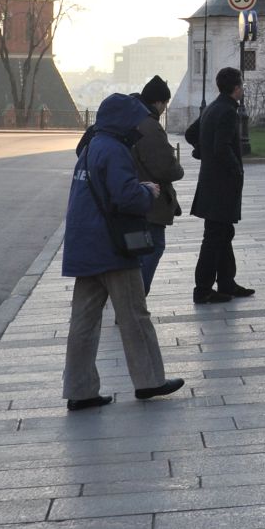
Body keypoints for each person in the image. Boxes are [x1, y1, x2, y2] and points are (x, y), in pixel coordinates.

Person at [61, 93, 185, 410]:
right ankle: (149, 381)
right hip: (112, 247)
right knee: (134, 315)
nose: (137, 126)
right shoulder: (114, 150)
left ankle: (80, 389)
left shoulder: (90, 147)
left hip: (83, 246)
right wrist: (147, 190)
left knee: (84, 322)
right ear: (122, 121)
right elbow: (125, 196)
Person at [190, 67, 254, 305]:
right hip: (221, 185)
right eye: (241, 86)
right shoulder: (227, 111)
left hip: (210, 183)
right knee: (215, 236)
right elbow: (222, 147)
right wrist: (236, 168)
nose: (242, 90)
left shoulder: (212, 108)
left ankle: (227, 281)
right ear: (236, 88)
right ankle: (203, 288)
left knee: (223, 233)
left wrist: (201, 149)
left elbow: (190, 134)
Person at [131, 75, 184, 293]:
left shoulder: (133, 118)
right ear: (158, 102)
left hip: (135, 197)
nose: (164, 109)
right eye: (165, 104)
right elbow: (164, 167)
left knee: (138, 250)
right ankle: (135, 301)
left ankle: (130, 302)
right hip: (150, 201)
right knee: (153, 247)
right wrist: (178, 168)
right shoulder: (150, 126)